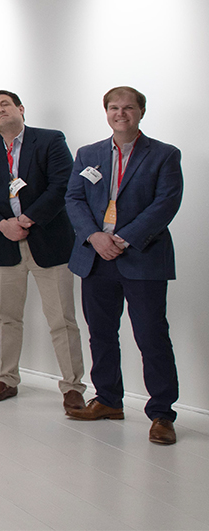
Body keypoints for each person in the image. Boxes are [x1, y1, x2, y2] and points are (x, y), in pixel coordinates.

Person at [65, 87, 182, 445]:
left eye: (128, 108)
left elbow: (166, 203)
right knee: (100, 333)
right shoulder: (89, 154)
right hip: (96, 258)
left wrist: (123, 237)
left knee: (150, 335)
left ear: (141, 112)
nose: (121, 113)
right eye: (114, 108)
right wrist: (94, 237)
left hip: (141, 256)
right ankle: (108, 400)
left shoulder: (164, 154)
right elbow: (73, 198)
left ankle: (162, 413)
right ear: (106, 112)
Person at [0, 90, 86, 411]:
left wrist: (28, 218)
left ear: (20, 109)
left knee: (62, 318)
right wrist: (3, 224)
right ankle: (5, 379)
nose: (0, 110)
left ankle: (72, 386)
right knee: (6, 318)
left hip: (49, 241)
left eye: (5, 104)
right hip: (4, 244)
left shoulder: (50, 140)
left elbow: (63, 184)